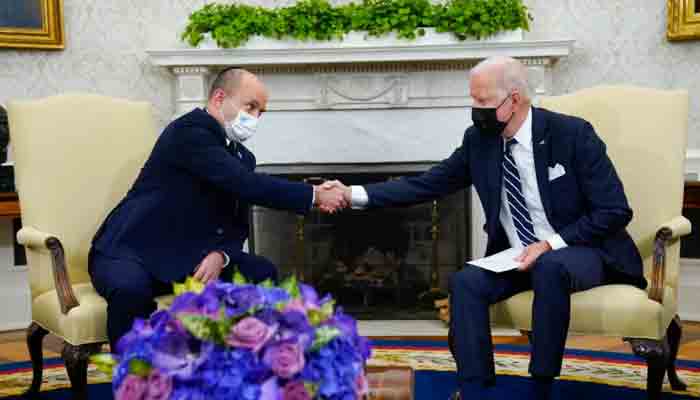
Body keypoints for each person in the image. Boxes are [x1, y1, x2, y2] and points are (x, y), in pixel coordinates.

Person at [328, 56, 645, 399]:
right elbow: (428, 184)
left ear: (514, 100)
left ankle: (540, 387)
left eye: (483, 101)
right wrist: (353, 194)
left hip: (579, 249)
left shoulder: (572, 134)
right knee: (466, 281)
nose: (474, 109)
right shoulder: (480, 141)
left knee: (550, 267)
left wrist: (550, 244)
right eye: (472, 99)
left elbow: (614, 210)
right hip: (517, 254)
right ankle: (474, 389)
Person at [89, 68, 347, 350]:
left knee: (262, 272)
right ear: (219, 98)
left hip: (185, 256)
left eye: (261, 112)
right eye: (250, 106)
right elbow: (244, 184)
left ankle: (248, 364)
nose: (255, 118)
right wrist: (314, 195)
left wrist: (221, 255)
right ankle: (133, 382)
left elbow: (235, 222)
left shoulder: (242, 156)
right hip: (131, 250)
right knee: (131, 292)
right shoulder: (190, 131)